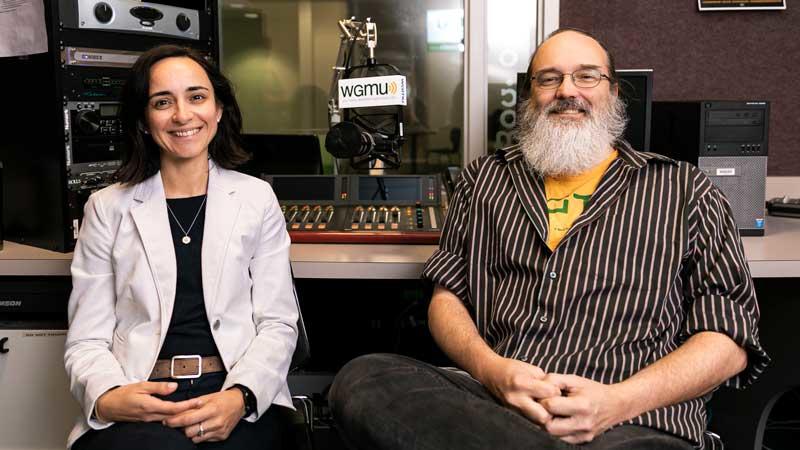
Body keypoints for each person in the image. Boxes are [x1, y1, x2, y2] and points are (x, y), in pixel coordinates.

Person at [329, 28, 769, 450]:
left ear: (613, 92)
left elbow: (728, 342)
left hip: (631, 419)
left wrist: (616, 402)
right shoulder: (483, 181)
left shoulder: (685, 189)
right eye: (549, 78)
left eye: (586, 75)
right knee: (362, 380)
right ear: (530, 97)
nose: (567, 90)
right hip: (497, 408)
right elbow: (448, 301)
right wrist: (494, 371)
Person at [64, 44, 298, 450]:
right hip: (141, 392)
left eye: (197, 97)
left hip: (232, 389)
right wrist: (108, 396)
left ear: (219, 109)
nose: (182, 115)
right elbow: (87, 340)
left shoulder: (256, 199)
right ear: (142, 119)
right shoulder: (106, 208)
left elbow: (278, 323)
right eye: (162, 102)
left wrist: (240, 397)